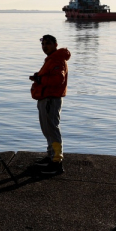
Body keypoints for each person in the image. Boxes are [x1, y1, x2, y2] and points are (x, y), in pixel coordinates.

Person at [30, 34, 70, 175]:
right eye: (43, 44)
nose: (44, 46)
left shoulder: (57, 59)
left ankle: (57, 163)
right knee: (47, 130)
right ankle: (51, 156)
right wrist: (38, 77)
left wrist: (40, 79)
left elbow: (58, 79)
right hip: (46, 99)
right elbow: (51, 76)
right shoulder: (52, 59)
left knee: (52, 130)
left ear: (55, 44)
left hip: (50, 100)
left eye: (47, 43)